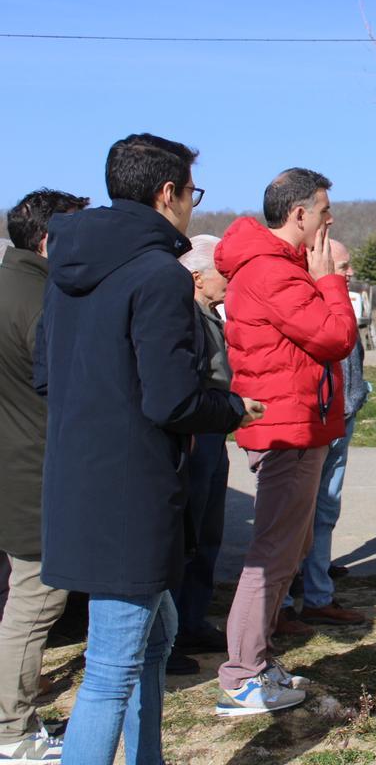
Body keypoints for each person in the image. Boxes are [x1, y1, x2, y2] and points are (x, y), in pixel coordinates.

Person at [38, 134, 261, 764]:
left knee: (156, 641)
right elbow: (173, 401)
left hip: (79, 483)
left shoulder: (66, 272)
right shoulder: (160, 275)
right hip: (130, 498)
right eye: (193, 192)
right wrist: (234, 406)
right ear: (168, 194)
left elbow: (46, 375)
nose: (193, 204)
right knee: (109, 673)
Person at [213, 168, 357, 716]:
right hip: (288, 428)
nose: (329, 219)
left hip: (299, 423)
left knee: (286, 550)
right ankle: (242, 674)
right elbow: (336, 336)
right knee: (272, 553)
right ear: (299, 214)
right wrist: (329, 282)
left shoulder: (276, 268)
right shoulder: (272, 272)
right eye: (324, 210)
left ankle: (257, 661)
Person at [0, 188, 88, 763]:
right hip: (34, 468)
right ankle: (11, 730)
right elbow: (69, 390)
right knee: (35, 603)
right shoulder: (40, 299)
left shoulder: (14, 285)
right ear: (50, 241)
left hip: (15, 459)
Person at [280, 239, 369, 629]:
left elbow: (354, 356)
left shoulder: (342, 303)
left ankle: (318, 597)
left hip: (341, 420)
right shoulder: (301, 303)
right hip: (310, 425)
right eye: (344, 266)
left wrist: (357, 397)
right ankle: (279, 603)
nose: (350, 273)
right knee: (293, 516)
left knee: (326, 511)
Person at [165, 235, 236, 677]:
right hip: (195, 436)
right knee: (184, 540)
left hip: (215, 434)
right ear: (196, 277)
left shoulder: (211, 314)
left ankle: (193, 620)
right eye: (221, 272)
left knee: (208, 534)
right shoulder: (184, 318)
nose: (227, 280)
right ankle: (168, 637)